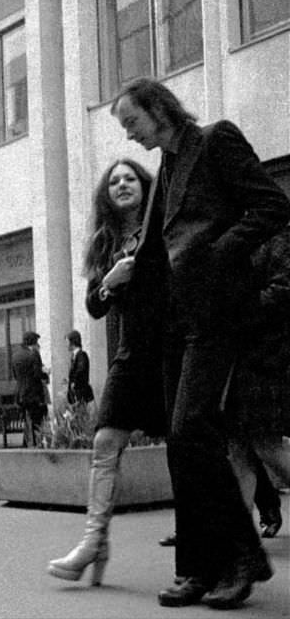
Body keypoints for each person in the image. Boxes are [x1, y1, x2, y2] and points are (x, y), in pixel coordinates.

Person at [111, 77, 290, 609]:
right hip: (176, 320)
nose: (129, 135)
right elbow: (154, 254)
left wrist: (217, 254)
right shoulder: (168, 164)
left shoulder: (216, 141)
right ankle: (197, 566)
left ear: (157, 108)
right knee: (181, 442)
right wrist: (109, 292)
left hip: (217, 313)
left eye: (131, 122)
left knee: (193, 429)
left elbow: (273, 208)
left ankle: (243, 559)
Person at [47, 158, 167, 586]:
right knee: (104, 442)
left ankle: (208, 547)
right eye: (114, 181)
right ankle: (94, 541)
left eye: (129, 178)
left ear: (144, 185)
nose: (121, 185)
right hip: (129, 357)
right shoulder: (106, 243)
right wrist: (110, 281)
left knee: (199, 449)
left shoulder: (164, 226)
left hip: (171, 354)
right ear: (106, 194)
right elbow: (94, 307)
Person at [225, 225, 290, 533]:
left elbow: (282, 290)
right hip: (238, 356)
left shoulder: (275, 236)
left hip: (265, 355)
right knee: (239, 448)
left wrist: (239, 311)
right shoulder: (236, 233)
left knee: (265, 444)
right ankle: (239, 539)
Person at [11, 331, 48, 446]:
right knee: (38, 420)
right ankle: (37, 443)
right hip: (34, 394)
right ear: (33, 342)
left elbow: (15, 375)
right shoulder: (34, 354)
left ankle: (26, 443)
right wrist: (46, 374)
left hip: (21, 394)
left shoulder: (15, 356)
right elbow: (37, 374)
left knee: (26, 421)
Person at [65, 330, 94, 408]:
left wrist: (74, 382)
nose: (66, 345)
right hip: (75, 394)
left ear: (72, 342)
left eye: (67, 342)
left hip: (80, 394)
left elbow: (81, 371)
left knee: (80, 415)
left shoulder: (81, 355)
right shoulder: (74, 356)